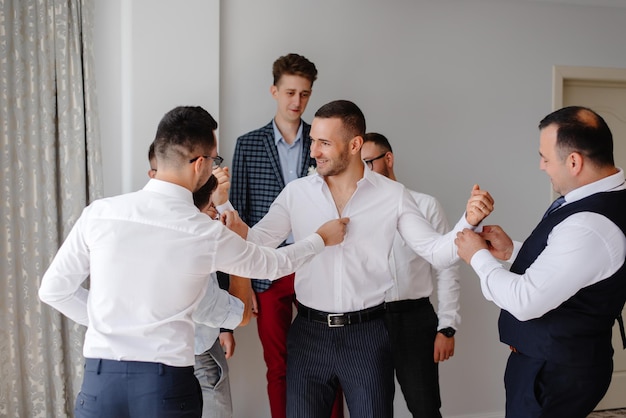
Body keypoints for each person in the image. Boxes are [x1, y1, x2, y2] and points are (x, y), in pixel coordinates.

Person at [38, 105, 348, 418]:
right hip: (164, 385)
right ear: (200, 164)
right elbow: (272, 264)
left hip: (99, 381)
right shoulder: (203, 232)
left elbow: (53, 290)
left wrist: (110, 324)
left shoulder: (101, 213)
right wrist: (320, 239)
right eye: (215, 159)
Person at [237, 99, 494, 417]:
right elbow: (256, 244)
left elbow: (435, 253)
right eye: (313, 140)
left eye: (324, 143)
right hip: (308, 334)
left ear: (355, 144)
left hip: (367, 338)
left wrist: (467, 221)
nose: (314, 150)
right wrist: (224, 211)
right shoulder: (296, 193)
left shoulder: (393, 196)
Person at [455, 106, 626, 418]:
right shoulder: (604, 201)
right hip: (558, 363)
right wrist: (513, 252)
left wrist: (476, 257)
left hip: (554, 374)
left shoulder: (590, 224)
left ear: (574, 161)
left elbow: (525, 300)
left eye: (545, 157)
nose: (541, 166)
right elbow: (575, 270)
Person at [231, 53, 344, 418]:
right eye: (290, 92)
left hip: (318, 263)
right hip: (268, 272)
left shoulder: (324, 141)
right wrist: (242, 282)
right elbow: (241, 215)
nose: (297, 102)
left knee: (331, 364)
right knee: (278, 366)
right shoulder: (248, 145)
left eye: (305, 94)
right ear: (274, 91)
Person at [361, 132, 460, 418]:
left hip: (415, 320)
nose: (364, 172)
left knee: (425, 407)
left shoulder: (426, 206)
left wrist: (447, 326)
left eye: (369, 162)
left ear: (388, 159)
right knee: (372, 409)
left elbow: (447, 268)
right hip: (369, 322)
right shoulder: (354, 213)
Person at [149, 143, 241, 418]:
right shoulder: (149, 219)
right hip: (166, 352)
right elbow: (241, 253)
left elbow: (224, 258)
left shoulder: (208, 206)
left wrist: (227, 328)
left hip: (204, 341)